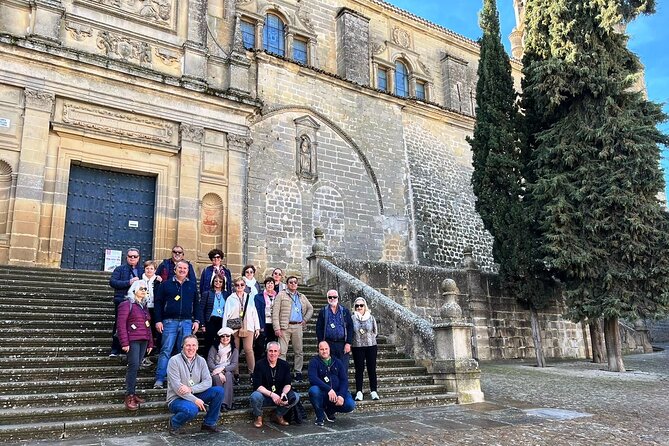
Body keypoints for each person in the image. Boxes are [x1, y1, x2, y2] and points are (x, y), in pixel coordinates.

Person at [153, 260, 203, 389]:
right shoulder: (166, 285)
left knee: (186, 351)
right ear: (175, 270)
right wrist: (158, 320)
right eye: (179, 268)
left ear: (188, 271)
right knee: (166, 350)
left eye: (185, 268)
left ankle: (182, 380)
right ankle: (159, 379)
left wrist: (197, 320)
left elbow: (197, 304)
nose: (182, 270)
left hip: (187, 322)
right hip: (169, 321)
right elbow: (158, 303)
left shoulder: (191, 285)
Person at [166, 335, 224, 435]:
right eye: (188, 345)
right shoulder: (174, 361)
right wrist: (195, 400)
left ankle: (209, 424)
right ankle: (174, 423)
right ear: (183, 346)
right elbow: (177, 388)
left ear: (197, 347)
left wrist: (191, 389)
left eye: (194, 345)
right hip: (177, 398)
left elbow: (208, 381)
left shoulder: (201, 360)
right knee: (192, 409)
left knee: (219, 391)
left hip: (194, 393)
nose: (191, 348)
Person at [116, 280, 153, 411]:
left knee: (136, 367)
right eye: (141, 288)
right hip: (132, 340)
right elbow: (121, 325)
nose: (144, 291)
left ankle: (132, 392)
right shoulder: (126, 305)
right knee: (133, 366)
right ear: (134, 289)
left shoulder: (143, 306)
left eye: (146, 289)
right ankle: (129, 395)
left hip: (143, 340)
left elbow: (148, 326)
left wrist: (150, 342)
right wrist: (124, 342)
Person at [272, 276, 313, 382]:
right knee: (282, 352)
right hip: (285, 327)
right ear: (287, 284)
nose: (293, 284)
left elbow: (310, 308)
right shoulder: (281, 295)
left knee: (299, 351)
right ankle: (281, 372)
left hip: (298, 326)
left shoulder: (302, 296)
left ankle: (298, 372)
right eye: (291, 282)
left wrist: (305, 320)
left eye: (295, 282)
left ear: (297, 284)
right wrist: (277, 328)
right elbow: (275, 313)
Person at [250, 341, 299, 428]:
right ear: (267, 351)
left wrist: (284, 394)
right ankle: (258, 416)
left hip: (279, 396)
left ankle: (278, 415)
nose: (273, 353)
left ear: (279, 353)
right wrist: (272, 395)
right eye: (270, 351)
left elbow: (288, 384)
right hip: (265, 396)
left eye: (275, 351)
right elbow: (257, 386)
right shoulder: (259, 364)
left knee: (295, 397)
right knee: (255, 396)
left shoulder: (285, 365)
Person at [222, 277, 260, 383]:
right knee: (235, 350)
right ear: (234, 287)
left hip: (248, 326)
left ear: (245, 286)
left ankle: (252, 373)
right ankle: (236, 374)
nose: (239, 287)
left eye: (242, 285)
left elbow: (254, 313)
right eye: (237, 285)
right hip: (234, 328)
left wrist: (257, 327)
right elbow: (226, 314)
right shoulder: (230, 298)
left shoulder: (249, 297)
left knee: (248, 349)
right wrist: (225, 329)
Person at [308, 341, 356, 426]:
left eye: (326, 349)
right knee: (313, 390)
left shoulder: (337, 362)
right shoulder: (314, 362)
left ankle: (330, 411)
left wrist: (341, 395)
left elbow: (344, 380)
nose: (324, 351)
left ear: (329, 349)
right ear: (318, 350)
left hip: (337, 392)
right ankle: (320, 416)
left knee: (350, 405)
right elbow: (312, 378)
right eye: (321, 349)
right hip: (323, 393)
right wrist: (328, 389)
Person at [109, 248, 144, 357]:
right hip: (122, 301)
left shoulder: (142, 270)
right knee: (119, 325)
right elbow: (113, 282)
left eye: (135, 256)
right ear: (126, 257)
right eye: (130, 256)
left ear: (138, 258)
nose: (132, 258)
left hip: (138, 302)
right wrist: (128, 282)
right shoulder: (119, 269)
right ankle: (115, 348)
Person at [315, 289, 354, 373]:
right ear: (327, 298)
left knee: (343, 369)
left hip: (342, 344)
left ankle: (343, 386)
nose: (332, 299)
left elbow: (350, 327)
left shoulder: (345, 311)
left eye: (334, 297)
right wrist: (321, 342)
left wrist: (348, 343)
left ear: (338, 298)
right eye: (330, 297)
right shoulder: (323, 311)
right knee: (330, 369)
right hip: (328, 344)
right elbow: (319, 328)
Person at [351, 297, 379, 401]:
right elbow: (350, 331)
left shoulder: (371, 318)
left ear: (365, 306)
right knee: (359, 369)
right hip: (357, 346)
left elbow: (375, 331)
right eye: (357, 306)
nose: (359, 307)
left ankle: (373, 391)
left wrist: (369, 339)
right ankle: (359, 391)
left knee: (371, 369)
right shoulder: (352, 318)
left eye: (361, 305)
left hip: (371, 345)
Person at [207, 327, 238, 411]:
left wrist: (222, 369)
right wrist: (218, 373)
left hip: (227, 372)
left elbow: (234, 365)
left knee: (228, 375)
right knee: (216, 377)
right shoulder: (214, 348)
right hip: (214, 372)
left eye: (227, 336)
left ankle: (225, 404)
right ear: (219, 338)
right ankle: (220, 403)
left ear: (231, 337)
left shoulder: (234, 350)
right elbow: (210, 363)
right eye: (223, 336)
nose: (225, 338)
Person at [200, 274, 228, 351]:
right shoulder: (207, 293)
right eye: (216, 281)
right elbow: (201, 309)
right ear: (213, 282)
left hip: (222, 321)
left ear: (223, 283)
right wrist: (202, 324)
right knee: (209, 342)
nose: (218, 283)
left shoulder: (226, 294)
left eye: (220, 281)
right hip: (211, 320)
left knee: (219, 343)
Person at [142, 259, 162, 364]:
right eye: (147, 268)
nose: (149, 270)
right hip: (143, 309)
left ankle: (155, 351)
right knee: (145, 330)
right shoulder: (139, 280)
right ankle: (144, 353)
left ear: (155, 270)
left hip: (155, 308)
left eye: (151, 268)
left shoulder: (158, 281)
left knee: (155, 331)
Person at [253, 277, 277, 360]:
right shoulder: (258, 297)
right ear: (265, 285)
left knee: (271, 343)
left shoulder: (278, 296)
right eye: (268, 283)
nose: (270, 285)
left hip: (273, 324)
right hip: (263, 322)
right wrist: (259, 326)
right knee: (260, 345)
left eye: (271, 283)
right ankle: (258, 363)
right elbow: (257, 311)